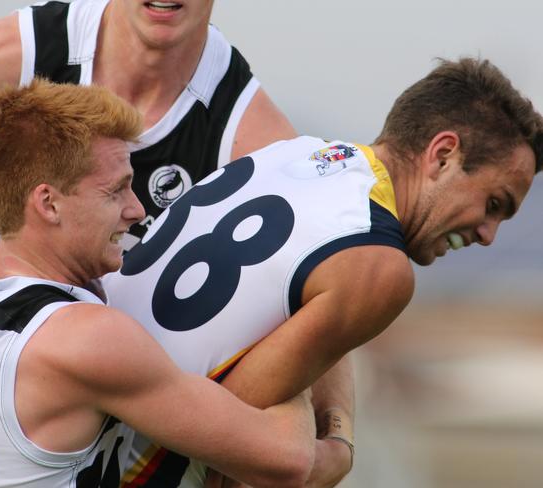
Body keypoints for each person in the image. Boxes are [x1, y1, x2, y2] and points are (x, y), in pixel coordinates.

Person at [0, 1, 352, 483]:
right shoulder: (21, 53)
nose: (135, 209)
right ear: (45, 201)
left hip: (82, 420)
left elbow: (327, 274)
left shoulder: (249, 132)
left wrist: (338, 419)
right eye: (115, 191)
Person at [102, 57, 543, 487]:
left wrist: (337, 431)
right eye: (493, 204)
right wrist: (335, 449)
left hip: (70, 414)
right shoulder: (379, 267)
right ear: (443, 154)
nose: (489, 235)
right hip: (113, 466)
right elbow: (229, 432)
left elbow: (316, 319)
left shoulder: (301, 152)